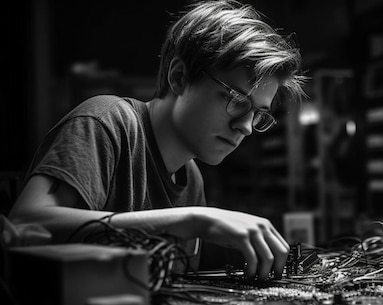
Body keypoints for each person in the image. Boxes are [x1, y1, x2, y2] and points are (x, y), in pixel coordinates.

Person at [8, 0, 307, 280]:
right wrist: (191, 219)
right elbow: (26, 224)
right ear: (179, 77)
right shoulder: (106, 122)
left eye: (257, 113)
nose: (246, 128)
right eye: (237, 100)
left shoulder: (192, 178)